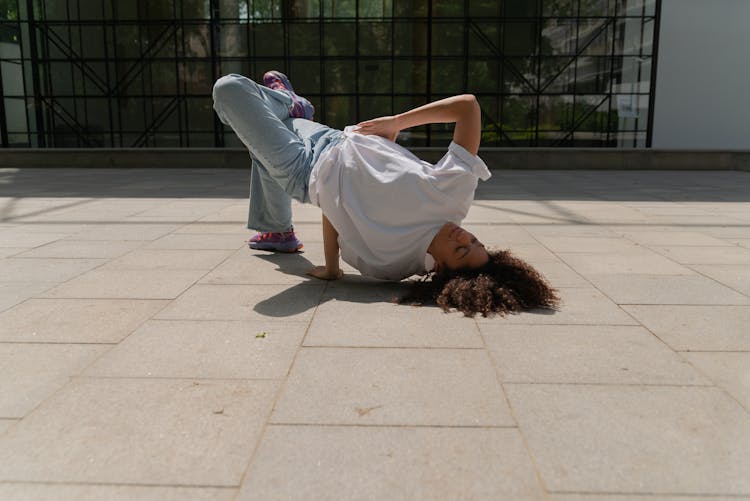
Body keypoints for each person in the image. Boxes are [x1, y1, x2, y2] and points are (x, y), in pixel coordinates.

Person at [212, 71, 558, 316]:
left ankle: (286, 104)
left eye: (460, 251)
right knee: (259, 131)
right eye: (475, 241)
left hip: (303, 171)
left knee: (230, 91)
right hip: (333, 136)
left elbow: (337, 210)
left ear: (439, 268)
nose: (462, 237)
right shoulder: (454, 195)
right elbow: (468, 106)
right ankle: (279, 231)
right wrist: (396, 122)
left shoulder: (389, 264)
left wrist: (332, 268)